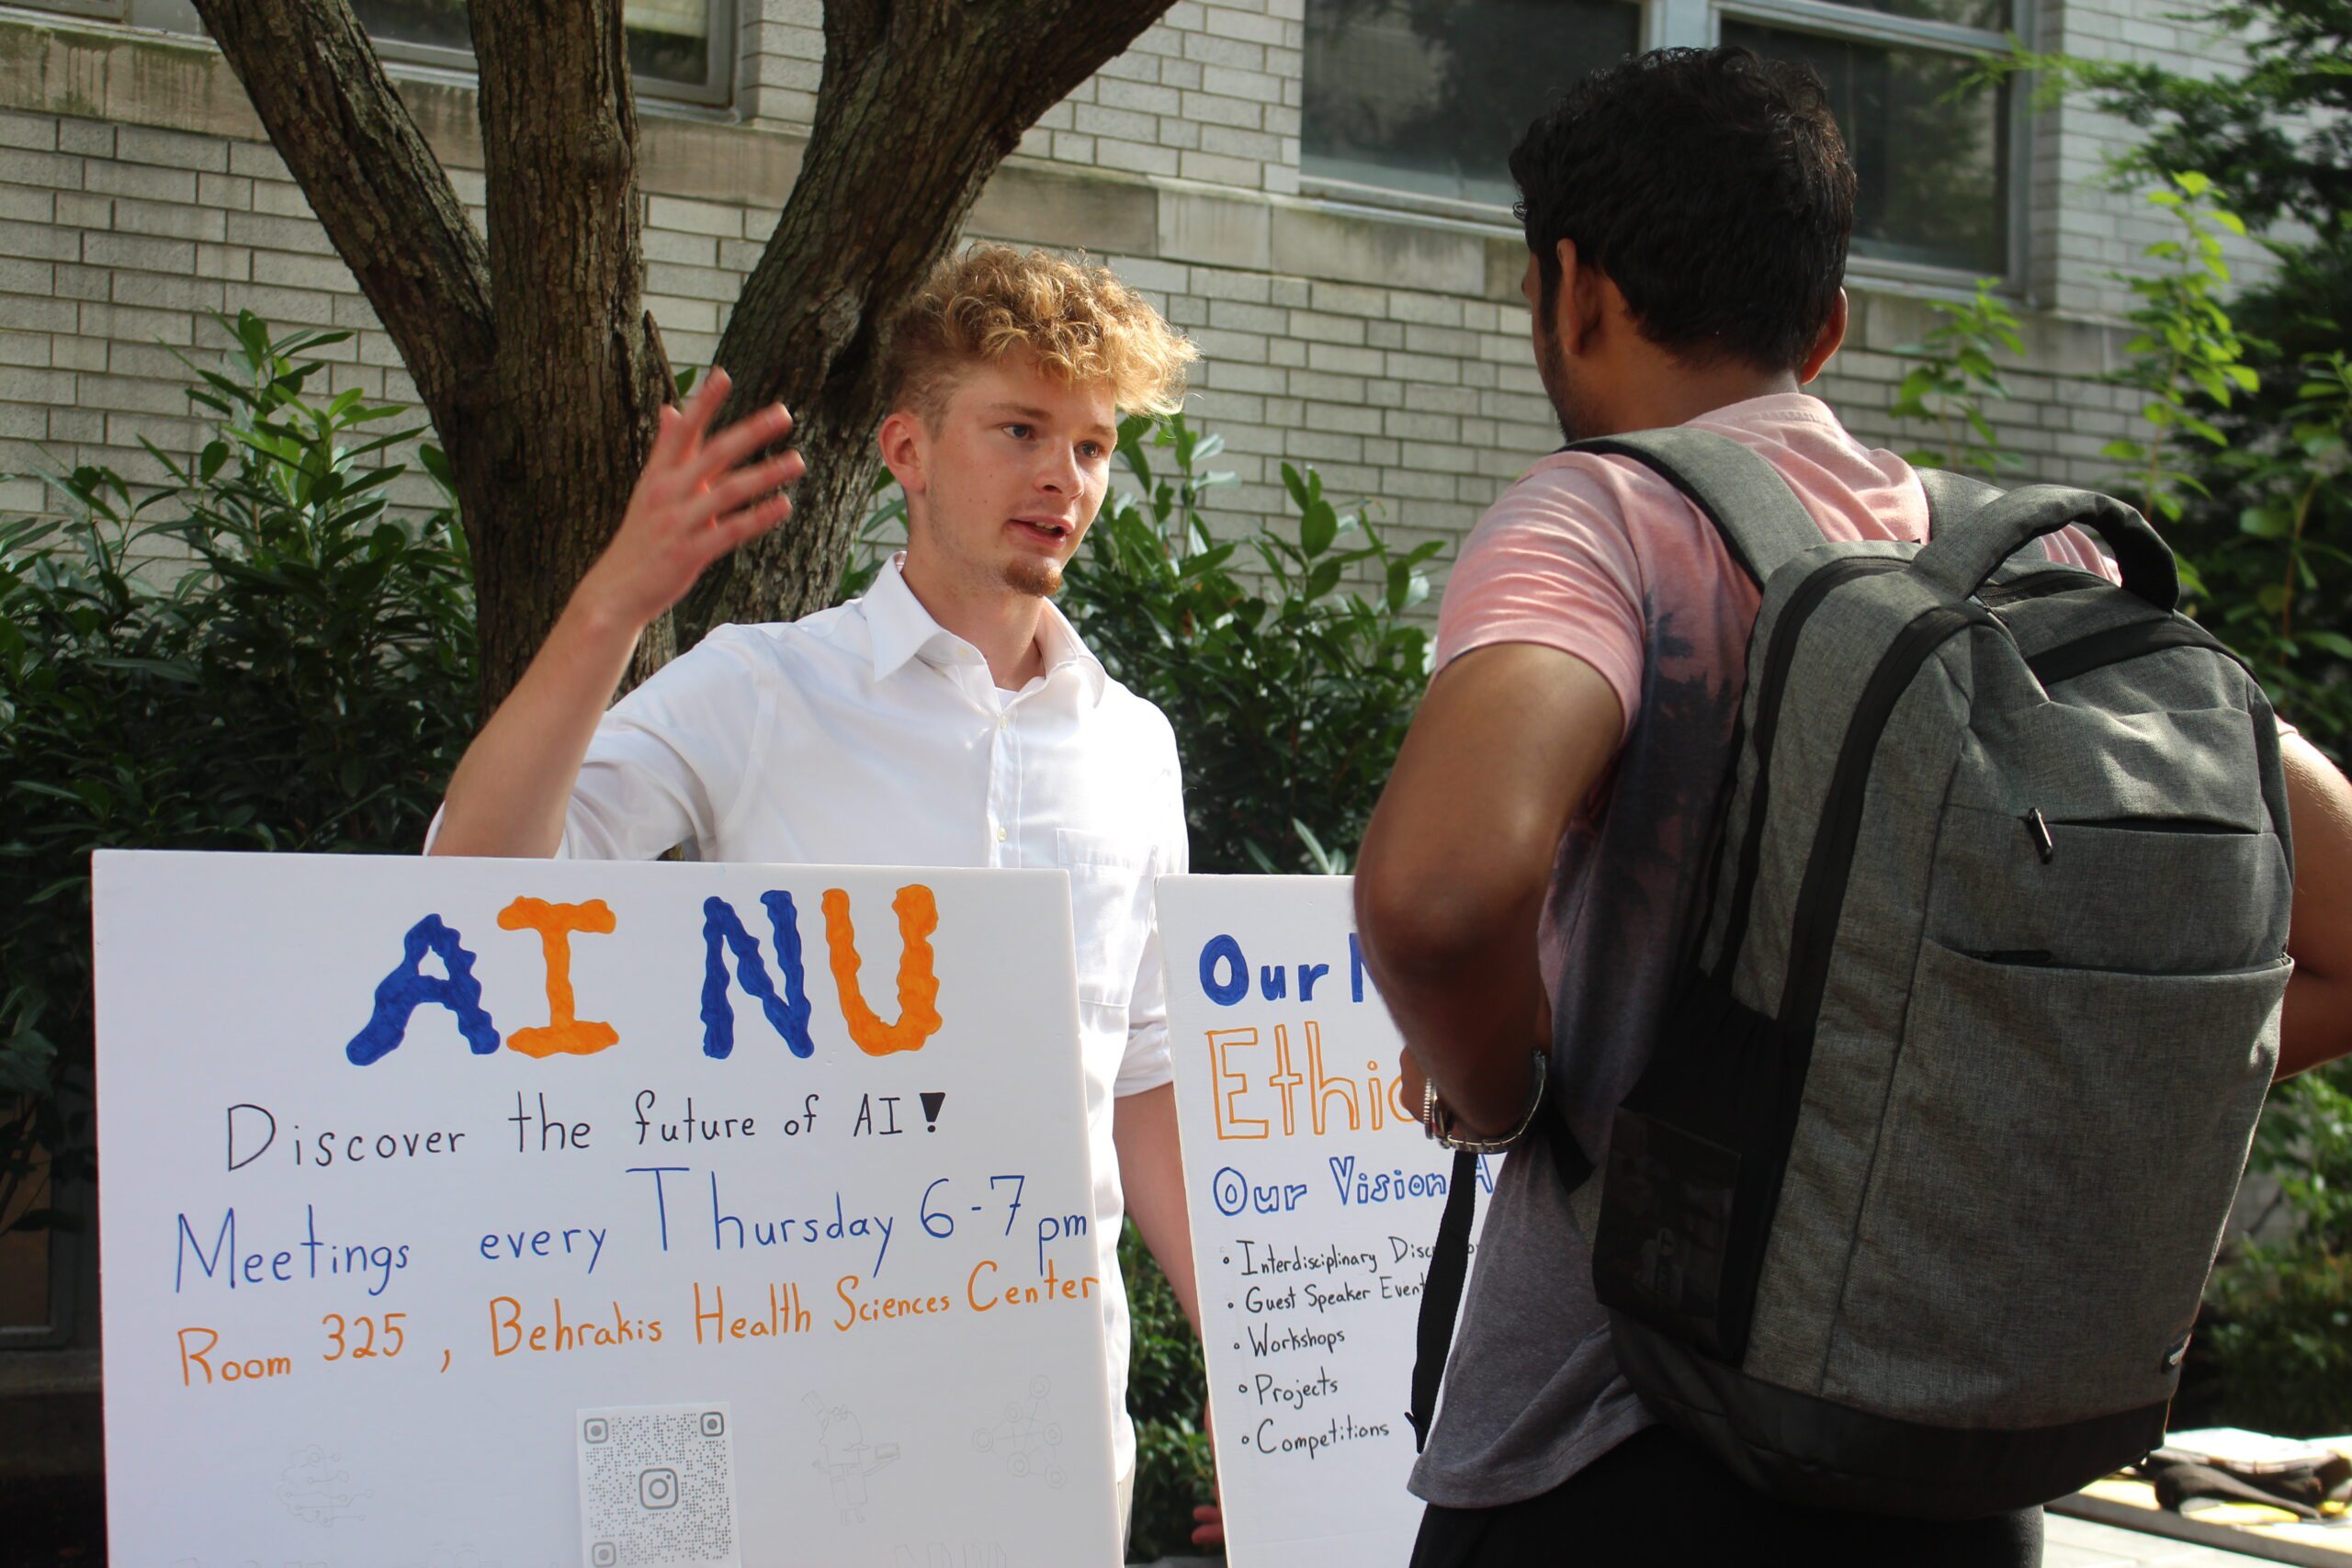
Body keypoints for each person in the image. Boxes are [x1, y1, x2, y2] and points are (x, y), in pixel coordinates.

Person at [1351, 46, 2352, 1567]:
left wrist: (1503, 1102)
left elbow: (1436, 898)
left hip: (1613, 1449)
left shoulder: (1603, 516)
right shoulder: (2037, 570)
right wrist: (2014, 1095)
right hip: (1952, 1468)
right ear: (1824, 325)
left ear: (1569, 288)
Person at [427, 243, 1212, 1538]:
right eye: (1019, 429)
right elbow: (474, 886)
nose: (1062, 480)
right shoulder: (758, 689)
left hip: (1049, 1430)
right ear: (905, 451)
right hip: (774, 1421)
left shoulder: (1136, 746)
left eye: (1093, 444)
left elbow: (1148, 1085)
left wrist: (1260, 1377)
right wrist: (616, 599)